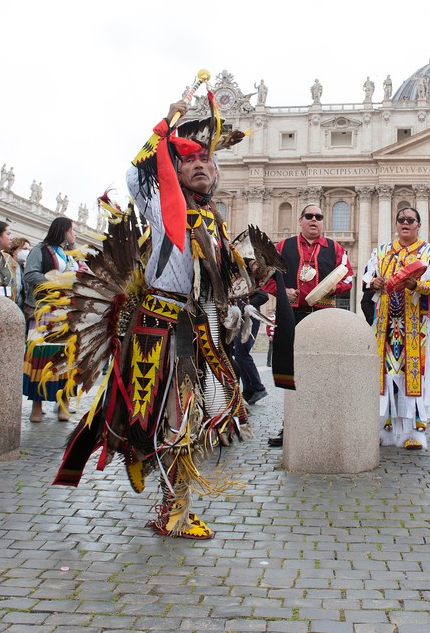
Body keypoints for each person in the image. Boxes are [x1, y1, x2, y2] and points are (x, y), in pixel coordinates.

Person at [49, 94, 275, 539]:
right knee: (166, 414)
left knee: (191, 415)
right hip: (157, 326)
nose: (201, 167)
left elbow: (219, 279)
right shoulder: (163, 206)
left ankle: (172, 502)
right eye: (190, 161)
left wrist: (235, 306)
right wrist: (168, 120)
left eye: (208, 164)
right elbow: (136, 175)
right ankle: (170, 504)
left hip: (197, 328)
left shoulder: (216, 223)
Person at [263, 202, 354, 446]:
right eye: (309, 216)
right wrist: (283, 291)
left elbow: (348, 277)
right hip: (291, 314)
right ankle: (290, 426)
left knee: (323, 369)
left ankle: (323, 425)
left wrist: (335, 287)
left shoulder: (335, 248)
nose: (314, 220)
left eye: (319, 217)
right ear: (300, 220)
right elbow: (264, 276)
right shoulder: (283, 247)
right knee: (290, 370)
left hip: (323, 315)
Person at [364, 207, 430, 450]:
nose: (405, 223)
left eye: (410, 220)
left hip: (415, 326)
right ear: (396, 224)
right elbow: (368, 278)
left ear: (419, 225)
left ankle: (414, 431)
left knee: (416, 377)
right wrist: (374, 282)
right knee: (386, 376)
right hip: (386, 327)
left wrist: (416, 284)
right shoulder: (381, 252)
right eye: (401, 220)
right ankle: (385, 428)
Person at [22, 217, 80, 423]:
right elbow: (29, 274)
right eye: (72, 230)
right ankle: (36, 406)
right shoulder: (40, 250)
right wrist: (52, 280)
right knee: (41, 356)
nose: (75, 234)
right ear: (63, 231)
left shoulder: (71, 255)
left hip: (67, 312)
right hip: (45, 311)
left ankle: (63, 403)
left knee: (65, 357)